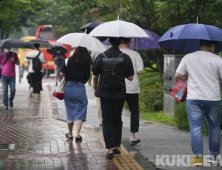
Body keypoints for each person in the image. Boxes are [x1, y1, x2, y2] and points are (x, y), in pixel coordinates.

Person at [175, 40, 222, 165]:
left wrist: (187, 77)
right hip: (213, 98)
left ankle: (198, 159)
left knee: (196, 128)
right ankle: (214, 157)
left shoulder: (188, 57)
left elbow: (178, 74)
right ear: (212, 45)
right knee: (214, 127)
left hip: (194, 98)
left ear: (200, 44)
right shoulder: (217, 59)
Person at [93, 37, 134, 159]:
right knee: (117, 118)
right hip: (119, 93)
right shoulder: (125, 57)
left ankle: (110, 150)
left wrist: (95, 89)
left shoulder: (101, 56)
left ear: (109, 42)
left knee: (107, 120)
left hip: (105, 93)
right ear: (121, 42)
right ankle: (116, 145)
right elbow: (131, 77)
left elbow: (95, 76)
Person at [60, 46, 92, 141]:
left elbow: (62, 73)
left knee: (69, 110)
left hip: (68, 87)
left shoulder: (67, 61)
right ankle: (77, 134)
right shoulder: (86, 63)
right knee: (81, 110)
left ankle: (70, 134)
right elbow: (87, 77)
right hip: (80, 87)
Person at [120, 38, 144, 146]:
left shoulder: (116, 53)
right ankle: (132, 136)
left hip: (118, 86)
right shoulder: (135, 54)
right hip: (132, 87)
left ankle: (117, 137)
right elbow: (139, 71)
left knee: (117, 112)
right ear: (129, 42)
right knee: (134, 111)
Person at [91, 37, 109, 126]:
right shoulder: (109, 47)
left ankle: (101, 120)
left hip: (98, 77)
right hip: (109, 77)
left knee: (99, 101)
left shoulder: (95, 48)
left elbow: (92, 61)